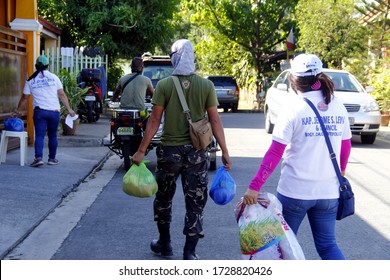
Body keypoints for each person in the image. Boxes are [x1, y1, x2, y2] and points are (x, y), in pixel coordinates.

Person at [243, 54, 352, 260]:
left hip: (295, 193)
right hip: (329, 192)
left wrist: (255, 186)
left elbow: (275, 152)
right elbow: (346, 145)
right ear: (320, 76)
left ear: (293, 80)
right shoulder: (337, 105)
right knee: (328, 246)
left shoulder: (293, 107)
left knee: (283, 247)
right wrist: (342, 170)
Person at [131, 39, 232, 260]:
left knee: (164, 198)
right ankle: (190, 252)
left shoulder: (165, 85)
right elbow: (215, 121)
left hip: (169, 152)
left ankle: (165, 244)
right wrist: (224, 150)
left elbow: (154, 120)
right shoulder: (206, 86)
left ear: (176, 57)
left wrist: (141, 150)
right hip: (197, 153)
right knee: (195, 201)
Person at [14, 55, 76, 167]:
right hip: (54, 112)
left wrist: (18, 110)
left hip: (39, 112)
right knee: (52, 136)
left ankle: (38, 158)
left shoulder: (31, 80)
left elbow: (24, 97)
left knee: (40, 135)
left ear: (36, 66)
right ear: (48, 66)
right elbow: (61, 94)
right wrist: (69, 109)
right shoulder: (54, 77)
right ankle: (52, 158)